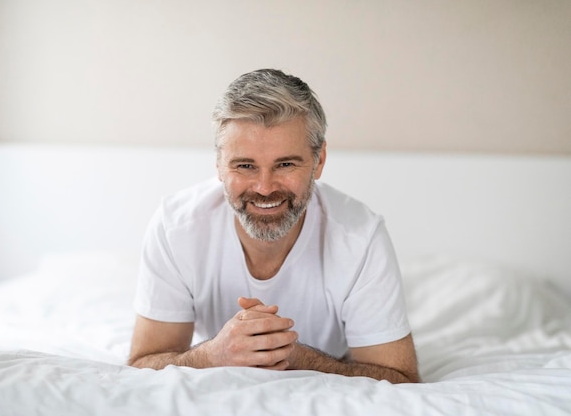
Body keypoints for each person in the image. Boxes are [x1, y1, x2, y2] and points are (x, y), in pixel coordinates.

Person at [128, 69, 419, 383]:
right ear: (219, 165)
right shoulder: (177, 228)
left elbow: (402, 378)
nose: (264, 188)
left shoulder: (361, 237)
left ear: (319, 161)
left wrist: (293, 355)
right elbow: (142, 362)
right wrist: (213, 356)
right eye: (245, 165)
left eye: (285, 164)